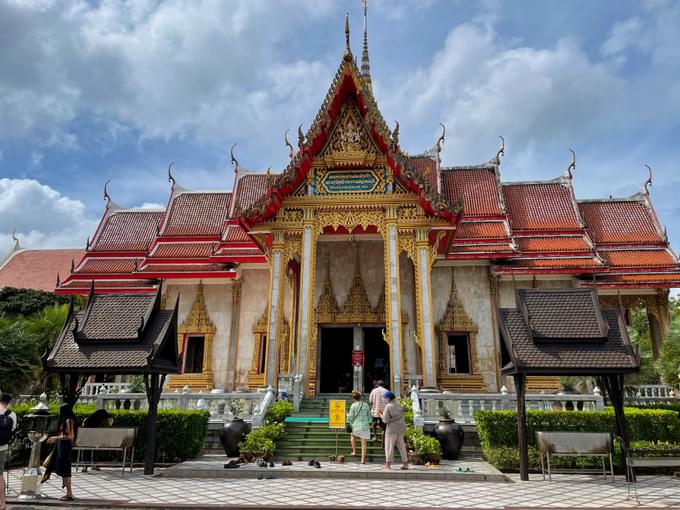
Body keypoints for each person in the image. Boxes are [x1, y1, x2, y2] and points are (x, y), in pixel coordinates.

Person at [43, 404, 77, 501]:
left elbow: (71, 436)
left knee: (65, 469)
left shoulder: (68, 420)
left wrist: (56, 438)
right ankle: (67, 490)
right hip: (61, 445)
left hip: (65, 447)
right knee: (60, 466)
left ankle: (69, 493)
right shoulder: (66, 420)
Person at [381, 391, 408, 470]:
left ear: (388, 398)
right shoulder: (399, 404)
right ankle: (405, 463)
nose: (384, 399)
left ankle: (388, 464)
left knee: (389, 446)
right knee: (401, 446)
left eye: (385, 398)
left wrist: (381, 415)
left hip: (392, 429)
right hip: (400, 428)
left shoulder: (388, 406)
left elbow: (385, 420)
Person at [0, 393, 17, 510]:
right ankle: (2, 502)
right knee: (0, 475)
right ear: (9, 402)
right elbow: (13, 430)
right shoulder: (12, 414)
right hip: (3, 447)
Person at [346, 390, 371, 464]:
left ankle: (354, 451)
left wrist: (347, 416)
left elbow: (350, 417)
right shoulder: (365, 404)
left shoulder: (353, 405)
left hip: (356, 426)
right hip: (364, 426)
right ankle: (363, 460)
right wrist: (369, 421)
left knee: (353, 436)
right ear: (360, 397)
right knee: (364, 444)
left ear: (353, 398)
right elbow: (369, 415)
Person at [368, 380, 387, 444]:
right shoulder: (387, 391)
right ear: (383, 385)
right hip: (383, 411)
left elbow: (370, 401)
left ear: (377, 385)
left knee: (374, 423)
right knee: (383, 425)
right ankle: (384, 439)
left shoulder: (374, 391)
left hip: (375, 409)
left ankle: (375, 436)